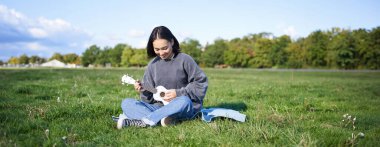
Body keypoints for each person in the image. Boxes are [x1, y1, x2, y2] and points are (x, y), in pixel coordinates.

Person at [117, 26, 208, 128]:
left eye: (165, 48)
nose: (161, 53)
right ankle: (162, 119)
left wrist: (178, 93)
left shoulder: (185, 59)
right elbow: (148, 101)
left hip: (183, 107)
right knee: (126, 103)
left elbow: (201, 84)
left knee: (184, 101)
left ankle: (145, 121)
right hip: (159, 108)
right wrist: (144, 91)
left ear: (172, 42)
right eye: (157, 49)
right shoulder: (152, 65)